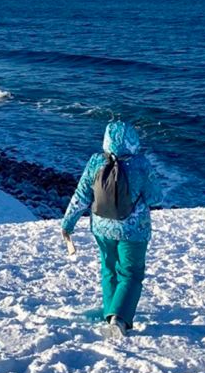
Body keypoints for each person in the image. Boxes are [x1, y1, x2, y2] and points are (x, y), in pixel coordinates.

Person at [60, 121, 161, 339]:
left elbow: (81, 197)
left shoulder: (96, 161)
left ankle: (110, 313)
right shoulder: (140, 164)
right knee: (131, 273)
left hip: (101, 227)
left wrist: (67, 224)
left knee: (109, 268)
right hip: (133, 231)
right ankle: (120, 319)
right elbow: (155, 196)